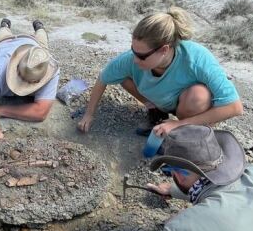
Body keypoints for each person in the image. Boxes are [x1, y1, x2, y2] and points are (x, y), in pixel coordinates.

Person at [77, 8, 243, 139]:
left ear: (164, 50)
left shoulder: (197, 58)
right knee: (122, 76)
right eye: (133, 51)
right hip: (159, 99)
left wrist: (178, 124)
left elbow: (234, 107)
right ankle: (156, 113)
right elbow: (103, 78)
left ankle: (187, 134)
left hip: (187, 106)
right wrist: (89, 114)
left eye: (141, 56)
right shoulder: (133, 58)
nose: (135, 59)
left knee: (199, 95)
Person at [0, 18, 59, 140]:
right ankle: (5, 25)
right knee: (3, 33)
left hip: (37, 46)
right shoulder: (3, 65)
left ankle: (39, 27)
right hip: (6, 43)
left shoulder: (46, 66)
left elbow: (41, 111)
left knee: (42, 38)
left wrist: (1, 110)